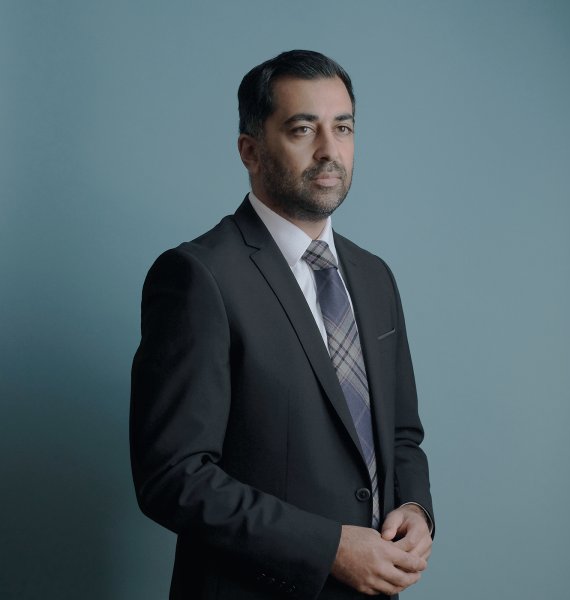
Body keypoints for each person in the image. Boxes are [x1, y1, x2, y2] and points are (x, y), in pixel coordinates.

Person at [130, 49, 434, 600]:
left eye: (342, 128)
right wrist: (328, 548)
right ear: (250, 150)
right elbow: (172, 476)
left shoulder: (374, 276)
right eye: (302, 129)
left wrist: (414, 508)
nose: (329, 150)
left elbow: (401, 434)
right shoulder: (198, 276)